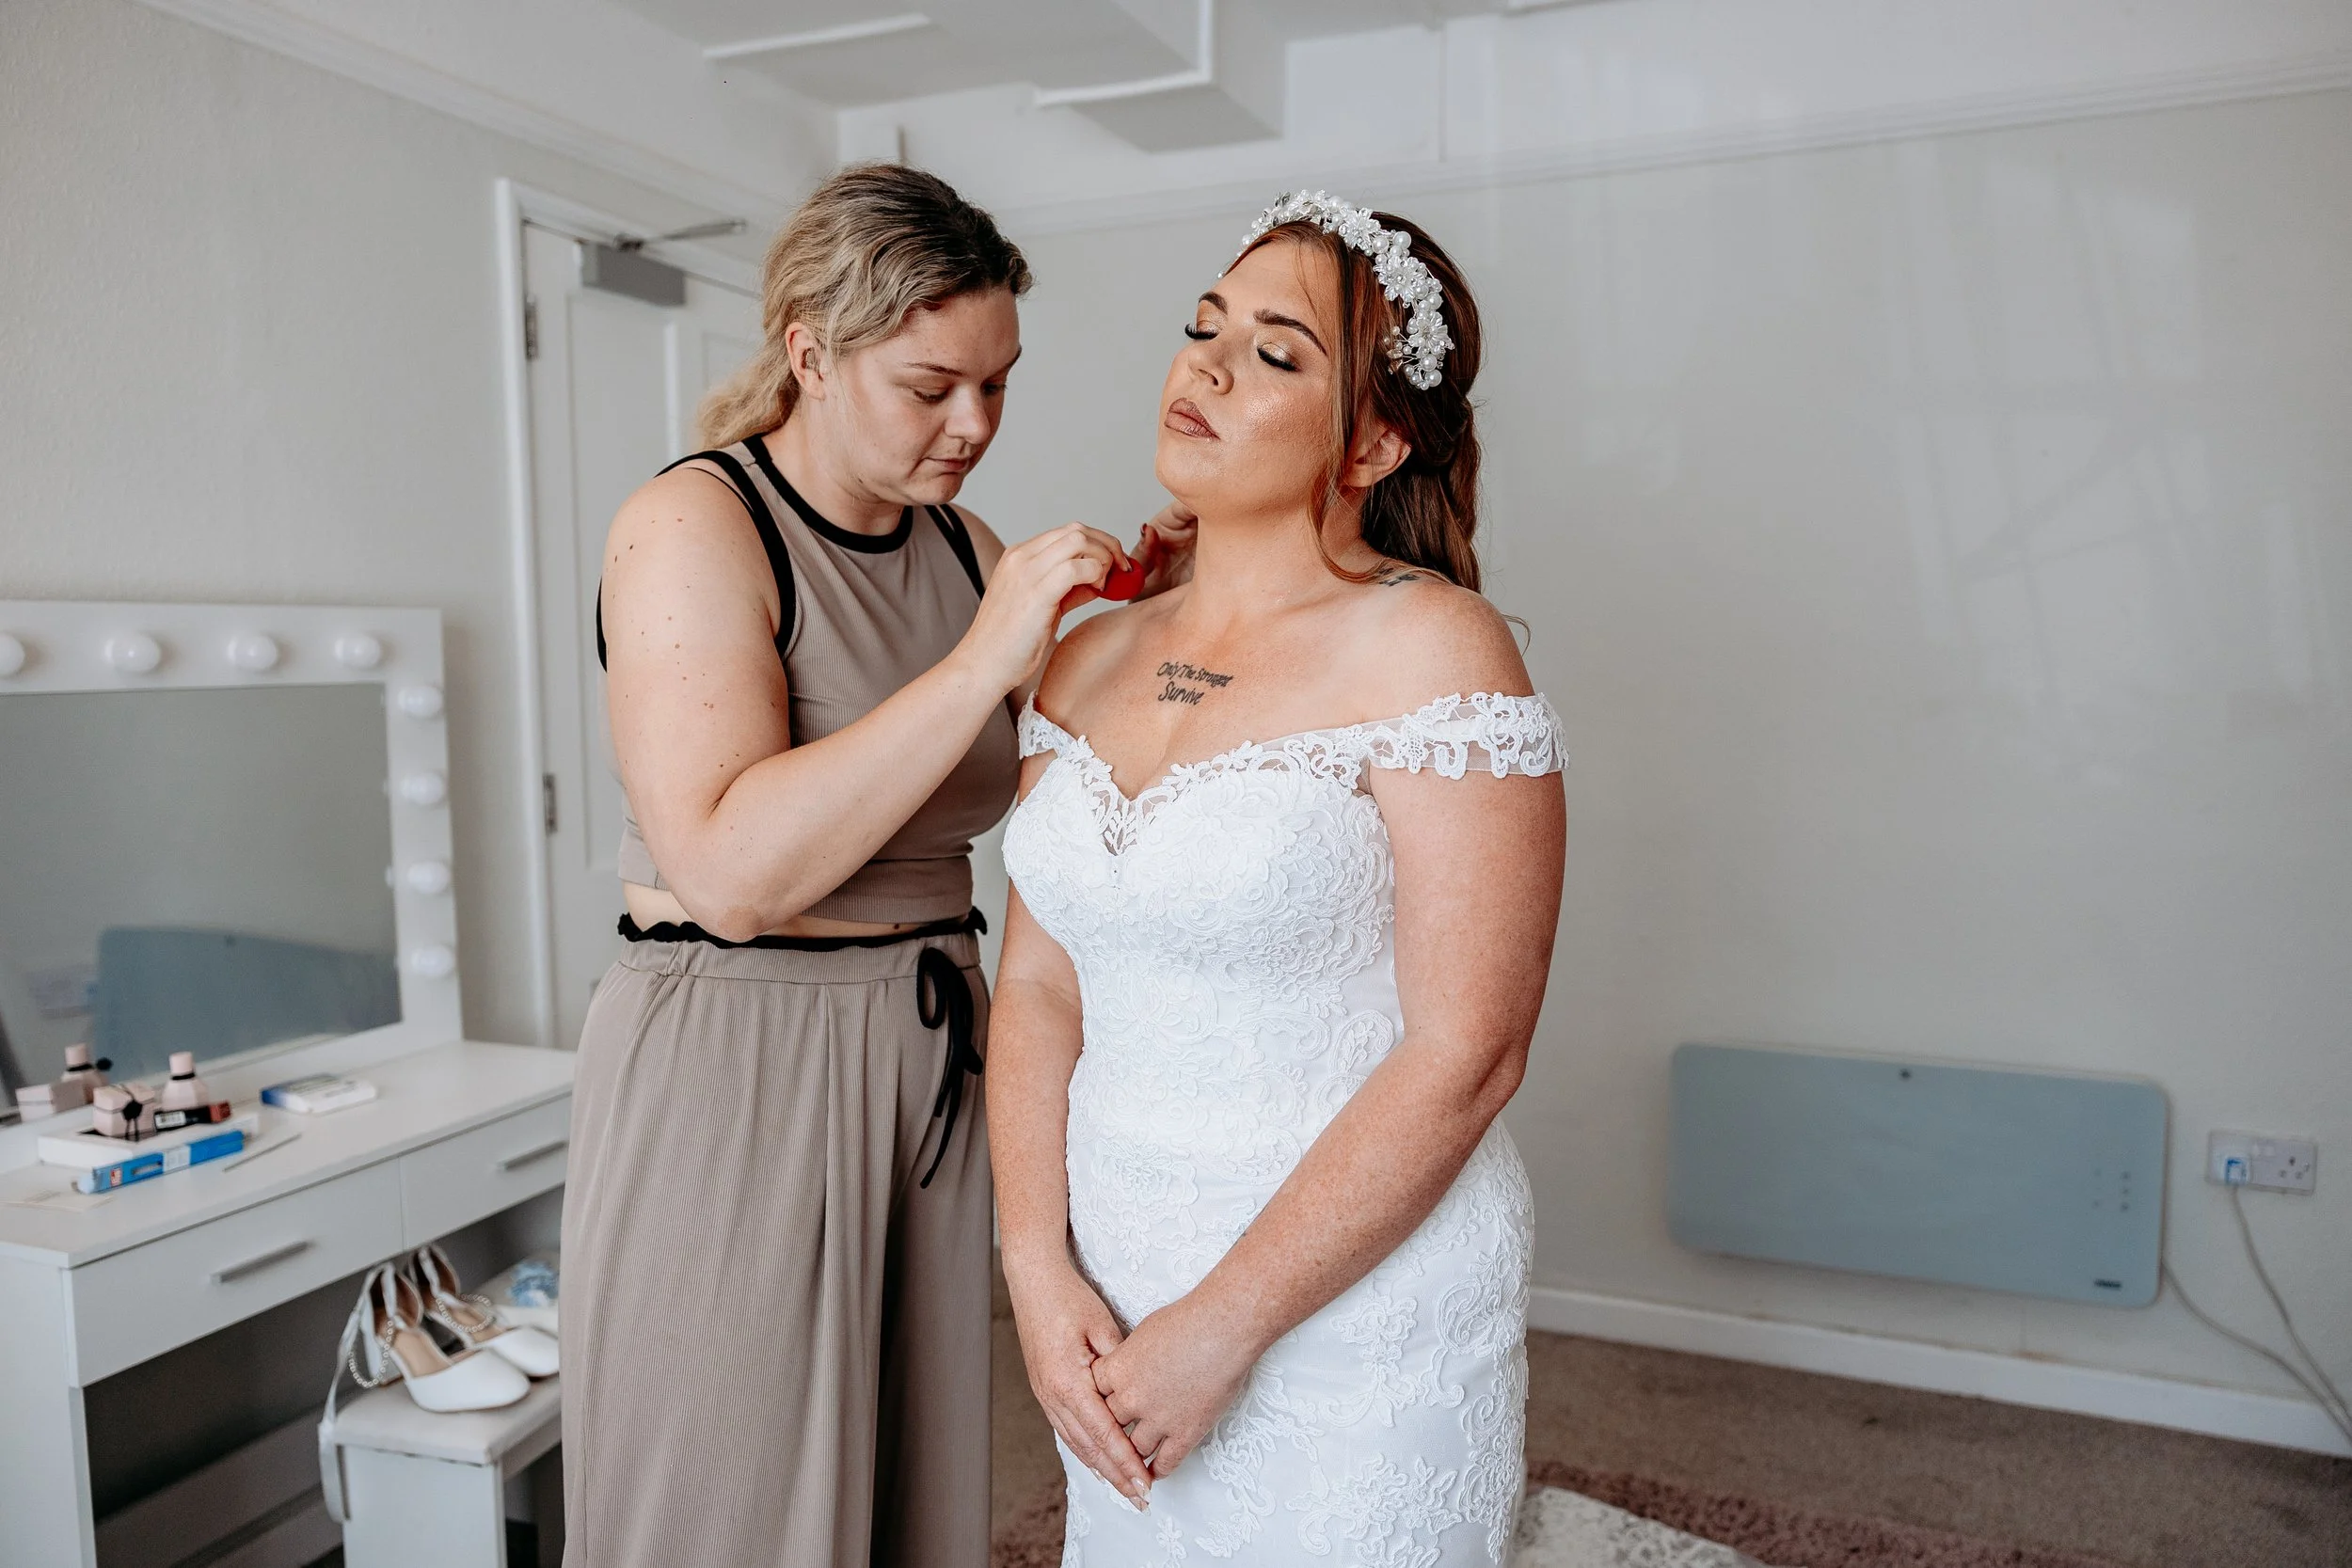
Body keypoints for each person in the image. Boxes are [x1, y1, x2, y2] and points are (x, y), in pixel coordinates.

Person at [560, 165, 1189, 1568]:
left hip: (931, 1050)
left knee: (904, 1494)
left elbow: (1046, 777)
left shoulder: (964, 549)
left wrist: (1161, 611)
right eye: (930, 386)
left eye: (999, 385)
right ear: (809, 352)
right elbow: (725, 866)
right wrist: (981, 661)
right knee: (725, 1499)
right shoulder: (691, 527)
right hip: (737, 1050)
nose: (974, 425)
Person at [992, 192, 1567, 1566]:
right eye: (1205, 327)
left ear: (1372, 439)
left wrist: (1225, 1324)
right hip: (1116, 1287)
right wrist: (1033, 1259)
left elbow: (1469, 1051)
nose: (1205, 364)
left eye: (1276, 352)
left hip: (1350, 1310)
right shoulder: (1083, 655)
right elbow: (1037, 982)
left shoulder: (1435, 650)